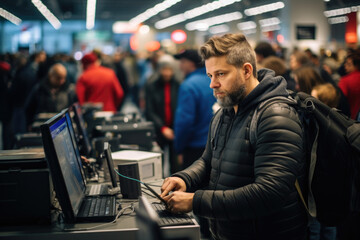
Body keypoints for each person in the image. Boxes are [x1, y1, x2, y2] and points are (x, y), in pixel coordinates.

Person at [161, 33, 307, 240]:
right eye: (210, 75)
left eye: (220, 74)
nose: (213, 84)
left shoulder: (276, 115)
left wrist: (196, 201)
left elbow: (270, 193)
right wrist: (184, 178)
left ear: (247, 70)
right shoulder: (226, 111)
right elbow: (208, 161)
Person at [173, 49, 216, 169]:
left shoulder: (188, 86)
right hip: (216, 145)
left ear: (190, 63)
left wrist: (179, 148)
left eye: (182, 62)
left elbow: (185, 121)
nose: (180, 66)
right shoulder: (214, 81)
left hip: (195, 148)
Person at [145, 61, 180, 175]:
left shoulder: (178, 85)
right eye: (164, 70)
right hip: (159, 129)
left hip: (175, 128)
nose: (167, 73)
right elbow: (149, 111)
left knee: (175, 164)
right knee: (159, 162)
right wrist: (162, 128)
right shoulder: (152, 86)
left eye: (169, 70)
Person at [25, 63, 77, 127]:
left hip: (63, 127)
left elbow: (75, 107)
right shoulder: (39, 89)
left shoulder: (69, 90)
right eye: (58, 78)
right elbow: (29, 109)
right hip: (43, 126)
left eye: (63, 78)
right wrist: (29, 124)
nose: (62, 81)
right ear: (50, 76)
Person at [338, 51, 360, 120]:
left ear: (356, 66)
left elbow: (339, 100)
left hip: (349, 119)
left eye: (348, 64)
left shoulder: (345, 81)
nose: (345, 66)